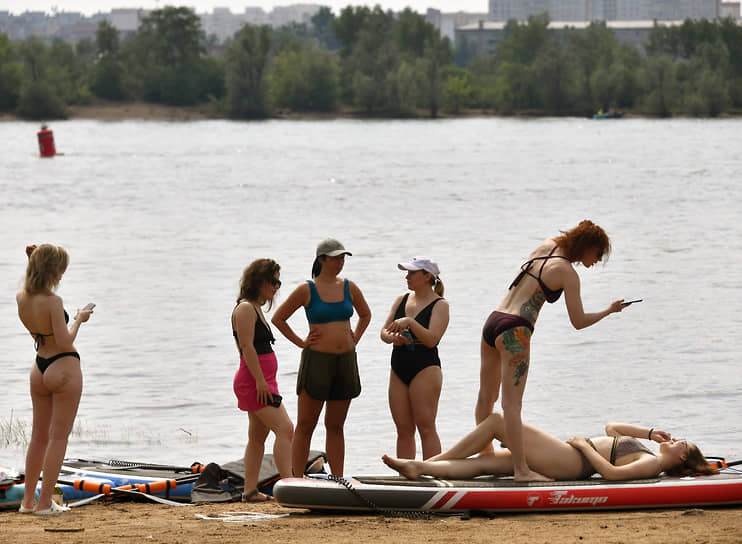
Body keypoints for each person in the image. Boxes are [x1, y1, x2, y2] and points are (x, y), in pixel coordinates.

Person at [476, 220, 627, 482]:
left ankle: (485, 456)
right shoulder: (567, 272)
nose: (597, 261)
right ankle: (521, 471)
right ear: (587, 247)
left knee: (486, 397)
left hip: (494, 320)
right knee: (512, 405)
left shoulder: (547, 245)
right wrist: (609, 311)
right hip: (516, 330)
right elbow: (578, 322)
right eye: (597, 254)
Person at [272, 239, 371, 477]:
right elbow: (279, 318)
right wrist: (301, 342)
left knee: (335, 425)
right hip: (317, 362)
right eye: (336, 258)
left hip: (345, 362)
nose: (340, 262)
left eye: (343, 258)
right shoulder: (307, 289)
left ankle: (338, 478)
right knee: (306, 425)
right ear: (321, 259)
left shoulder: (349, 286)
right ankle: (296, 478)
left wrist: (354, 337)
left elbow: (365, 315)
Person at [382, 413, 719, 481]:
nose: (675, 441)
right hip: (569, 453)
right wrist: (649, 431)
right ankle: (420, 468)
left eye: (680, 444)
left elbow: (613, 474)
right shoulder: (649, 449)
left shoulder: (652, 466)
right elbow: (611, 426)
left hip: (571, 461)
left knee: (498, 421)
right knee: (484, 463)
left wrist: (583, 447)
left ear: (682, 458)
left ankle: (430, 461)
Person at [16, 244, 94, 515]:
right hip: (62, 367)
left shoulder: (22, 297)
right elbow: (64, 343)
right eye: (61, 270)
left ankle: (27, 502)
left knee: (38, 436)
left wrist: (33, 260)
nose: (62, 275)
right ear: (54, 271)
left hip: (39, 368)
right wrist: (79, 320)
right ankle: (45, 502)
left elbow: (43, 336)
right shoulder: (53, 302)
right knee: (58, 437)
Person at [232, 258, 294, 502]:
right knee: (286, 429)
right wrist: (260, 382)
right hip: (254, 382)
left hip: (263, 380)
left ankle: (249, 490)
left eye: (279, 282)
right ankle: (289, 484)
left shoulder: (256, 307)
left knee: (258, 438)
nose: (276, 287)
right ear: (259, 281)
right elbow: (247, 347)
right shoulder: (245, 308)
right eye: (273, 281)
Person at [381, 257, 449, 460]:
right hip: (398, 367)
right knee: (403, 429)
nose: (407, 276)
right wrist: (394, 338)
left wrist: (409, 322)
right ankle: (406, 476)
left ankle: (432, 475)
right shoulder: (402, 299)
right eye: (407, 272)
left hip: (425, 368)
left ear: (427, 276)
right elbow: (383, 333)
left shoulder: (440, 305)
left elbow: (431, 340)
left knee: (426, 427)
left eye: (412, 273)